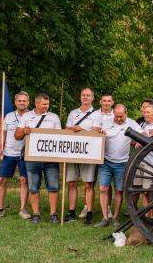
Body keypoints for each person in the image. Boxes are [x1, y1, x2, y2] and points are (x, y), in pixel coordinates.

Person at [14, 93, 62, 224]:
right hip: (32, 158)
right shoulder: (26, 117)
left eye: (48, 104)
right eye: (44, 104)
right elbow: (16, 135)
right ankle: (36, 214)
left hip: (51, 158)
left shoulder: (54, 117)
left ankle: (53, 214)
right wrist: (24, 131)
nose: (47, 106)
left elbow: (60, 136)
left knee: (53, 187)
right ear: (36, 104)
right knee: (33, 187)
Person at [95, 104, 142, 228]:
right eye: (116, 116)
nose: (118, 119)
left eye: (121, 116)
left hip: (122, 163)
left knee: (119, 191)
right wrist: (99, 133)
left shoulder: (132, 123)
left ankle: (115, 217)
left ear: (126, 114)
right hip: (105, 161)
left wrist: (138, 141)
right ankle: (105, 218)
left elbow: (143, 135)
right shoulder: (106, 122)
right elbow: (96, 134)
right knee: (103, 189)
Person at [0, 91, 31, 220]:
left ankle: (23, 209)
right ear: (16, 102)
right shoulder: (9, 116)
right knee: (1, 180)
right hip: (9, 153)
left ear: (28, 102)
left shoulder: (32, 116)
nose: (22, 103)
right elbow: (3, 134)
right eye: (19, 101)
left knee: (24, 180)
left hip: (25, 154)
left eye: (24, 101)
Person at [64, 88, 100, 225]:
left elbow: (96, 132)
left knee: (88, 184)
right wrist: (71, 130)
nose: (85, 97)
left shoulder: (97, 114)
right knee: (72, 183)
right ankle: (71, 212)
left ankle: (89, 213)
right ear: (80, 97)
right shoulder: (73, 113)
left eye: (88, 95)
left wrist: (82, 129)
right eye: (83, 95)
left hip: (89, 153)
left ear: (92, 98)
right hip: (73, 151)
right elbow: (67, 129)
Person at [79, 92, 115, 220]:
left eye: (109, 101)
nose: (106, 103)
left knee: (106, 183)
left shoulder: (116, 115)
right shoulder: (94, 114)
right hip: (93, 151)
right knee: (89, 181)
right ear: (100, 102)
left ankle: (108, 207)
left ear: (112, 102)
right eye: (104, 101)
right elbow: (89, 130)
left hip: (109, 152)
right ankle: (86, 206)